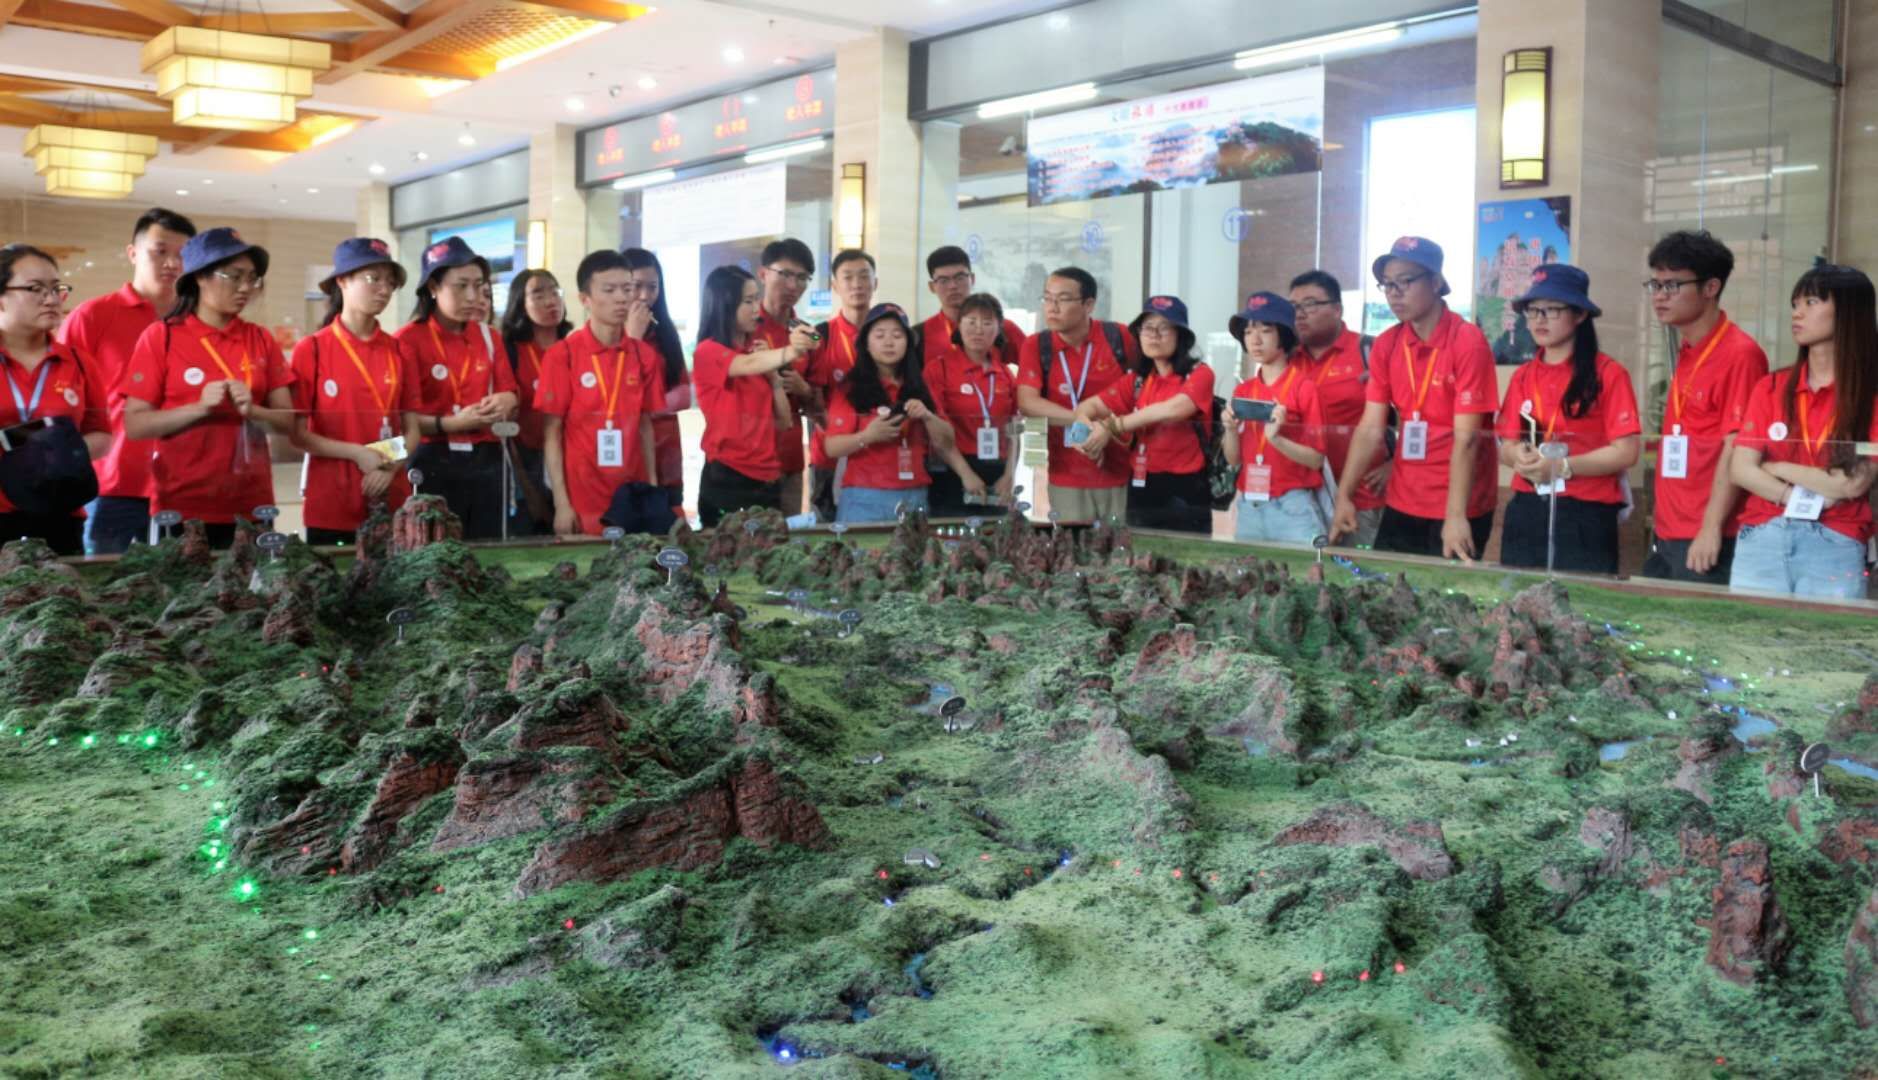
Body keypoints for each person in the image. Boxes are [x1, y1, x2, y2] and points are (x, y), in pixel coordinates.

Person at [121, 227, 296, 547]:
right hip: (181, 506)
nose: (245, 288)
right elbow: (135, 424)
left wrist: (254, 411)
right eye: (234, 276)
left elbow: (288, 421)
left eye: (252, 278)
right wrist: (199, 408)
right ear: (200, 276)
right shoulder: (162, 337)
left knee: (253, 581)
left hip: (252, 504)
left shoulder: (260, 339)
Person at [1330, 237, 1498, 560]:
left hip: (1459, 503)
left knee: (1446, 591)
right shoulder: (1387, 344)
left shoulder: (1467, 342)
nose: (1394, 293)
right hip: (1403, 499)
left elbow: (1467, 438)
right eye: (1387, 284)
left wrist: (1455, 516)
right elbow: (1370, 428)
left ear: (1436, 282)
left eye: (1405, 281)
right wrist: (1344, 496)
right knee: (1386, 587)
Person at [1728, 264, 1878, 599]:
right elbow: (1740, 469)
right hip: (1763, 533)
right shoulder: (1771, 387)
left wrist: (1776, 467)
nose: (1797, 313)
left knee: (1822, 634)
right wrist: (1796, 496)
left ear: (1849, 310)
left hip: (1835, 539)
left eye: (1811, 302)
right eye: (1795, 304)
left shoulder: (1871, 396)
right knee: (1749, 632)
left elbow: (1852, 484)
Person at [60, 207, 195, 553]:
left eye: (182, 255)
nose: (172, 264)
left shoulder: (198, 323)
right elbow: (62, 398)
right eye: (160, 251)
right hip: (112, 482)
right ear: (133, 253)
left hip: (186, 483)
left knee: (184, 579)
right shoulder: (93, 316)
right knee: (103, 579)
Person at [1493, 265, 1642, 574]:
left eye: (1551, 310)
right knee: (1518, 596)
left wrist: (1562, 466)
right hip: (1527, 506)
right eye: (1532, 311)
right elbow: (1505, 444)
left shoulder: (1608, 374)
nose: (1539, 319)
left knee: (1581, 600)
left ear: (1580, 314)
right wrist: (1517, 456)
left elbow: (1626, 452)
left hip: (1585, 512)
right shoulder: (1523, 376)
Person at [1641, 230, 1768, 585]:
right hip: (1668, 529)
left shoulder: (1740, 354)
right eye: (1655, 285)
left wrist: (1710, 527)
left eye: (1672, 285)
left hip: (1709, 535)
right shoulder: (1687, 348)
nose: (1660, 296)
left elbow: (1737, 446)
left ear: (1711, 287)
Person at [289, 238, 421, 545]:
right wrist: (358, 453)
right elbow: (298, 435)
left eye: (390, 282)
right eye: (373, 278)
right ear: (342, 280)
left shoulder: (400, 351)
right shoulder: (312, 349)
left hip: (390, 496)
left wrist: (387, 466)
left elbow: (413, 430)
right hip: (331, 504)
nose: (384, 290)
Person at [396, 236, 518, 540]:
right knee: (433, 547)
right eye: (461, 286)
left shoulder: (489, 336)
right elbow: (401, 418)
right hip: (430, 456)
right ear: (433, 288)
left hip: (486, 458)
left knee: (488, 546)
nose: (472, 296)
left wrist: (506, 400)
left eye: (478, 285)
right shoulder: (407, 341)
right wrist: (452, 423)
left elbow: (511, 394)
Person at [538, 249, 662, 536]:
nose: (622, 298)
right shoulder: (562, 355)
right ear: (585, 299)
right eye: (609, 290)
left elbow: (645, 426)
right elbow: (551, 433)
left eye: (627, 289)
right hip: (582, 499)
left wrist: (652, 489)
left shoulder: (644, 356)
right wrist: (561, 503)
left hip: (632, 495)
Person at [1070, 294, 1214, 533]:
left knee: (1187, 554)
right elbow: (1088, 406)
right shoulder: (1137, 381)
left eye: (1164, 328)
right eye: (1147, 328)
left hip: (1187, 487)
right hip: (1142, 482)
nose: (1154, 335)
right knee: (1139, 551)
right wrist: (1083, 432)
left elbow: (1173, 410)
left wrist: (1111, 427)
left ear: (1181, 335)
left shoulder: (1200, 374)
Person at [0, 244, 110, 553]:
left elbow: (102, 433)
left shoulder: (79, 362)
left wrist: (61, 450)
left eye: (55, 288)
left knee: (65, 583)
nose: (51, 299)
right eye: (35, 289)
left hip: (60, 511)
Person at [823, 303, 974, 523]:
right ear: (866, 343)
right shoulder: (850, 388)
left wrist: (928, 416)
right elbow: (831, 447)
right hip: (863, 498)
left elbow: (947, 441)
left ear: (908, 343)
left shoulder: (920, 386)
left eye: (897, 335)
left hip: (914, 495)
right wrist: (867, 436)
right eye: (880, 335)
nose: (889, 342)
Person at [693, 265, 816, 526]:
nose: (755, 308)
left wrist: (773, 379)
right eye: (748, 301)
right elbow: (745, 365)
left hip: (768, 475)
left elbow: (784, 422)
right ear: (725, 305)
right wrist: (790, 351)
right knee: (728, 548)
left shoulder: (756, 353)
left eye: (756, 299)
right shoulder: (708, 351)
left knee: (768, 548)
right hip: (729, 475)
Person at [1016, 266, 1139, 523]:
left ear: (1088, 305)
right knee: (1072, 545)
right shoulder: (1037, 345)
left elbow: (1144, 389)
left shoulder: (1119, 337)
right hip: (1066, 472)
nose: (1052, 308)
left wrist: (1108, 428)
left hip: (1121, 469)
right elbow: (1027, 403)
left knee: (1122, 544)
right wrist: (1083, 421)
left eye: (1063, 299)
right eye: (1047, 298)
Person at [1221, 292, 1327, 544]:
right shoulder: (1243, 390)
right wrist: (1230, 430)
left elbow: (1316, 460)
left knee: (1303, 568)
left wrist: (1277, 440)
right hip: (1249, 504)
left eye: (1265, 331)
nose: (1255, 340)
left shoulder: (1304, 387)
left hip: (1293, 505)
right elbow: (1233, 460)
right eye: (1248, 332)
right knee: (1249, 569)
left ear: (1284, 335)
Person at [1288, 270, 1384, 546]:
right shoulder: (1288, 358)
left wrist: (1395, 465)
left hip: (1361, 497)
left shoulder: (1370, 351)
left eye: (1310, 304)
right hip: (1302, 498)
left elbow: (1409, 415)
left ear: (1337, 309)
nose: (1300, 314)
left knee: (1359, 570)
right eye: (1294, 307)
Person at [927, 292, 1020, 516]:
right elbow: (936, 431)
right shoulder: (939, 369)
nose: (979, 330)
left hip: (997, 473)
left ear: (998, 329)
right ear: (959, 325)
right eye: (971, 321)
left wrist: (1009, 474)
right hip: (952, 471)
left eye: (987, 323)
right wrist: (965, 473)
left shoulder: (1006, 374)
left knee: (997, 535)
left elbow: (1015, 430)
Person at [805, 249, 878, 521]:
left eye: (864, 276)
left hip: (880, 452)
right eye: (848, 277)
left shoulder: (887, 333)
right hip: (830, 455)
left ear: (875, 283)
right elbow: (808, 395)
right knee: (827, 530)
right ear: (835, 286)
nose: (857, 284)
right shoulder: (819, 336)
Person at [499, 268, 570, 534]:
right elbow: (506, 424)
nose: (551, 301)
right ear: (520, 304)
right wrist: (526, 485)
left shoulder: (574, 348)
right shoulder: (510, 351)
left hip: (572, 454)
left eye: (555, 292)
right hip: (527, 458)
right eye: (538, 295)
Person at [621, 248, 691, 515]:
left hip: (666, 451)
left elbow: (684, 394)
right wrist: (633, 339)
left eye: (652, 287)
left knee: (668, 523)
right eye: (636, 286)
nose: (645, 296)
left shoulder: (665, 332)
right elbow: (616, 394)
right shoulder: (609, 336)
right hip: (628, 450)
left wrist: (651, 406)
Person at [751, 238, 817, 514]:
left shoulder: (809, 334)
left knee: (787, 533)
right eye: (785, 274)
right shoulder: (744, 325)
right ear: (763, 274)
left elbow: (820, 405)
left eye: (802, 278)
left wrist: (804, 389)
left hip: (789, 459)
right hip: (747, 458)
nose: (793, 286)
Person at [921, 245, 1026, 370]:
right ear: (932, 287)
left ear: (972, 278)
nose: (953, 286)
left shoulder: (1001, 328)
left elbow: (1036, 368)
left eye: (960, 278)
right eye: (943, 280)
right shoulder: (920, 335)